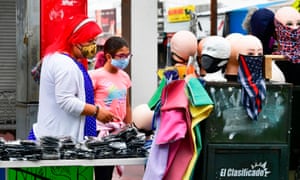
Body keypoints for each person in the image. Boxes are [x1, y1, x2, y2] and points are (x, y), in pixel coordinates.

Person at [27, 15, 116, 143]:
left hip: (61, 138)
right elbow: (66, 100)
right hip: (58, 142)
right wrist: (96, 111)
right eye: (89, 41)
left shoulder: (61, 59)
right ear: (74, 40)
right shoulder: (64, 64)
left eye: (94, 41)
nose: (93, 46)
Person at [88, 36, 132, 180]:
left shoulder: (125, 77)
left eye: (128, 55)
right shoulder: (94, 76)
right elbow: (86, 102)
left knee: (110, 173)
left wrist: (129, 127)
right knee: (102, 173)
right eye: (121, 56)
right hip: (99, 132)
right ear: (108, 56)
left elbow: (127, 104)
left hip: (118, 132)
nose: (125, 59)